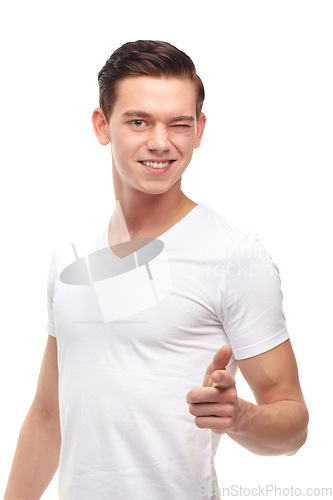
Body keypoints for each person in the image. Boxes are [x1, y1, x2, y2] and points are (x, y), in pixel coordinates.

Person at [4, 40, 308, 500]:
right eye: (139, 121)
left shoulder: (235, 256)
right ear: (102, 125)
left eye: (178, 124)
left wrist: (240, 417)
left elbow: (293, 425)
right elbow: (50, 415)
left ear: (200, 129)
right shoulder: (70, 258)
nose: (160, 142)